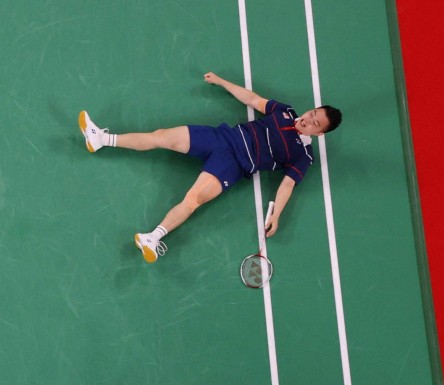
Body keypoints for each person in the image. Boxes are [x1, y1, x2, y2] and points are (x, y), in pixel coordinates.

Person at [78, 72, 342, 263]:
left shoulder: (303, 155)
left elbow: (287, 184)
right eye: (312, 114)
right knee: (161, 135)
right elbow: (253, 99)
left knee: (193, 199)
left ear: (320, 134)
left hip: (233, 165)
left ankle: (153, 238)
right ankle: (100, 139)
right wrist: (222, 82)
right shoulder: (285, 111)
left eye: (316, 124)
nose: (308, 120)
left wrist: (277, 214)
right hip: (222, 138)